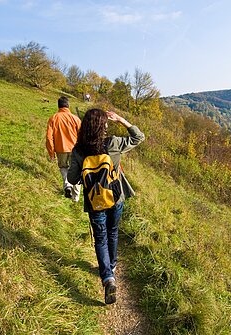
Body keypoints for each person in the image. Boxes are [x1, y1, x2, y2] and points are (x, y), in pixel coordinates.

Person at [67, 109, 145, 304]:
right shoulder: (113, 143)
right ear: (103, 126)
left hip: (94, 202)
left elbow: (72, 178)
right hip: (115, 198)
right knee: (113, 232)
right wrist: (121, 120)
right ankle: (112, 266)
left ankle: (108, 277)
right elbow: (139, 137)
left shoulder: (78, 150)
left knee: (100, 238)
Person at [46, 96, 82, 201]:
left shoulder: (53, 118)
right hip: (75, 149)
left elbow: (49, 137)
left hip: (60, 148)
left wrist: (51, 152)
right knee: (76, 171)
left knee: (63, 168)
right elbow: (81, 135)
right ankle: (75, 197)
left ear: (58, 106)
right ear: (68, 105)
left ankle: (67, 185)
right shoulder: (75, 119)